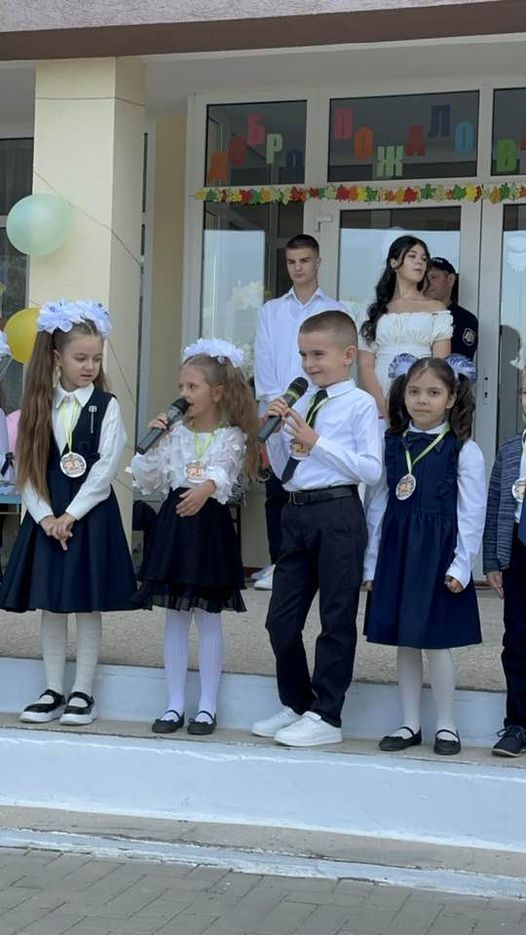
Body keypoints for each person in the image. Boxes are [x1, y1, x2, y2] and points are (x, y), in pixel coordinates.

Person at [0, 299, 136, 726]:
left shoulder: (107, 405)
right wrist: (45, 517)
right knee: (52, 604)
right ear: (57, 357)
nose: (90, 366)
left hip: (88, 516)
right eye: (81, 358)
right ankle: (53, 688)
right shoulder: (38, 405)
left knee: (86, 602)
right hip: (48, 516)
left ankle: (83, 691)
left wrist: (71, 515)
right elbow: (27, 469)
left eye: (96, 358)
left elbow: (106, 467)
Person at [251, 311, 382, 747]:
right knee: (280, 621)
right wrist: (275, 435)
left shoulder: (359, 404)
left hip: (338, 514)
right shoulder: (303, 401)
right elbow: (288, 469)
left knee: (336, 619)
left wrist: (316, 441)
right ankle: (297, 702)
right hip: (296, 514)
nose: (309, 364)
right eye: (304, 355)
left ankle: (327, 715)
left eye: (318, 354)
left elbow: (371, 470)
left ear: (348, 355)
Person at [131, 338, 259, 737]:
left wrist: (206, 488)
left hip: (209, 527)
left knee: (207, 616)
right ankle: (174, 704)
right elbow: (148, 478)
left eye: (192, 387)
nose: (184, 394)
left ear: (216, 393)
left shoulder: (231, 435)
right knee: (174, 616)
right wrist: (152, 443)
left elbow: (226, 470)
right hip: (175, 524)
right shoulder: (174, 434)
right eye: (181, 387)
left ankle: (207, 706)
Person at [363, 355, 486, 755]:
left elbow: (472, 513)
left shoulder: (463, 450)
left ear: (451, 399)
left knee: (436, 641)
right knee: (406, 640)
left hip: (437, 556)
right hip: (398, 552)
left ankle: (447, 724)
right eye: (414, 391)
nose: (422, 400)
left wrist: (462, 565)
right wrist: (371, 564)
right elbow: (378, 505)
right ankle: (409, 723)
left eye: (433, 392)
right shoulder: (392, 444)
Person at [253, 233, 347, 590]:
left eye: (305, 260)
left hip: (320, 407)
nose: (298, 268)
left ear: (317, 262)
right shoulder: (272, 311)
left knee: (318, 482)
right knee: (278, 489)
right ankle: (280, 563)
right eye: (292, 262)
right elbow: (264, 360)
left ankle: (317, 564)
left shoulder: (335, 310)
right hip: (280, 406)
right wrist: (271, 407)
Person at [358, 235, 453, 420]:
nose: (419, 262)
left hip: (421, 396)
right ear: (394, 262)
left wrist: (426, 400)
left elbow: (440, 365)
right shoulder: (372, 310)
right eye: (412, 256)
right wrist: (383, 406)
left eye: (424, 258)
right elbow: (365, 364)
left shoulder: (436, 309)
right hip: (379, 397)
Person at [483, 367, 526, 757]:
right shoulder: (511, 449)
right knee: (516, 639)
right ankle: (518, 723)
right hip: (518, 551)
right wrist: (493, 559)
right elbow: (496, 503)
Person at [425, 257, 478, 360]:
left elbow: (458, 361)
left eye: (433, 277)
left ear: (450, 280)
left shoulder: (464, 319)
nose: (427, 283)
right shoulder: (414, 314)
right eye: (424, 278)